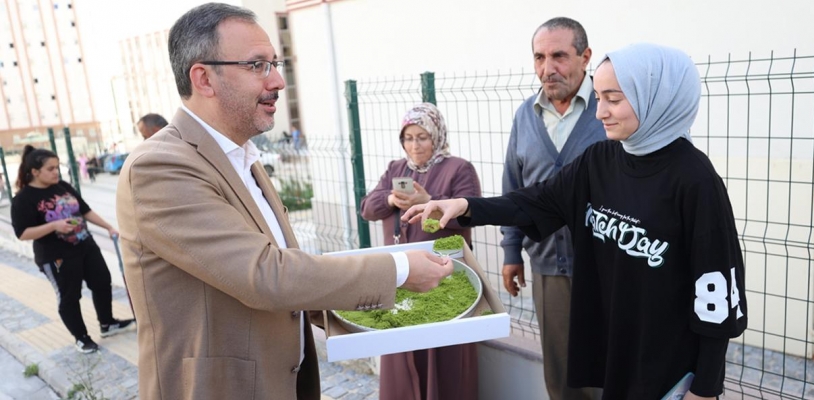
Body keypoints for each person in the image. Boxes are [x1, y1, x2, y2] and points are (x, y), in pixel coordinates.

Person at [114, 4, 453, 400]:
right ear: (204, 78)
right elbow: (265, 274)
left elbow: (281, 275)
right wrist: (397, 270)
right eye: (257, 65)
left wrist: (369, 311)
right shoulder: (159, 167)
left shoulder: (242, 157)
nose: (277, 81)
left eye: (274, 64)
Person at [404, 43, 749, 399]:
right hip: (619, 349)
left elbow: (717, 292)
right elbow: (538, 200)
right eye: (598, 97)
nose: (601, 113)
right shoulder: (600, 160)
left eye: (613, 99)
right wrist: (466, 205)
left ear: (656, 96)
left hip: (668, 367)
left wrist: (705, 389)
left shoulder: (695, 181)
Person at [502, 16, 606, 400]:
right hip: (547, 266)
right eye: (539, 57)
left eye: (559, 56)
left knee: (609, 369)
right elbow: (514, 186)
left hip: (606, 266)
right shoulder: (525, 115)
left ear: (585, 57)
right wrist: (512, 251)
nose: (548, 69)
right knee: (563, 376)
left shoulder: (609, 108)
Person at [360, 103, 481, 400]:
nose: (414, 145)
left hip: (444, 279)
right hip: (401, 278)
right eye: (408, 137)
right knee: (402, 355)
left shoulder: (458, 169)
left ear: (436, 136)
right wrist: (390, 199)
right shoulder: (396, 169)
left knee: (444, 355)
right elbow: (367, 209)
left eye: (422, 137)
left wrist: (431, 200)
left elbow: (471, 214)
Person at [11, 145, 135, 354]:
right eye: (50, 169)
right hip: (56, 256)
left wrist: (109, 227)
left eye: (57, 167)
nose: (55, 172)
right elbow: (22, 233)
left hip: (85, 245)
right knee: (70, 297)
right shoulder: (23, 199)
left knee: (102, 282)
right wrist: (53, 226)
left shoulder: (63, 186)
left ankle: (107, 323)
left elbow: (84, 210)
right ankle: (82, 337)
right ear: (34, 171)